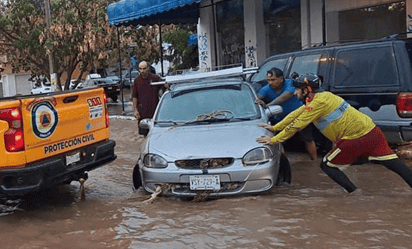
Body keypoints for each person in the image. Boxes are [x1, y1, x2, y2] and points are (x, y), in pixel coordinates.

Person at [256, 73, 412, 194]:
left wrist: (274, 140)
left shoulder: (317, 104)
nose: (295, 92)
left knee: (327, 165)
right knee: (394, 164)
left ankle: (355, 193)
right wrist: (275, 128)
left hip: (354, 139)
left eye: (297, 89)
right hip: (373, 132)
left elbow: (297, 125)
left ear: (307, 90)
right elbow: (296, 113)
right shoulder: (324, 97)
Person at [255, 67, 317, 160]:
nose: (270, 83)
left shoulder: (291, 83)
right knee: (277, 143)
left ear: (281, 78)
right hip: (280, 119)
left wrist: (268, 105)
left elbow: (285, 96)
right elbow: (257, 99)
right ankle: (283, 164)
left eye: (273, 80)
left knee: (308, 139)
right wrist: (259, 101)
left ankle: (314, 161)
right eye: (268, 80)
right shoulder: (266, 89)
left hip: (300, 116)